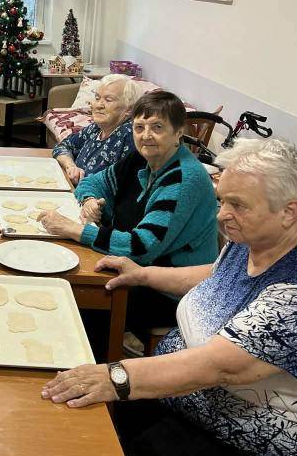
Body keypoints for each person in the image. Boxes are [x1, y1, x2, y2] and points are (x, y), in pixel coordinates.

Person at [41, 137, 297, 456]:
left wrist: (117, 374)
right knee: (100, 432)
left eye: (237, 205)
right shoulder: (255, 241)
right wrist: (145, 275)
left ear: (290, 212)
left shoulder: (296, 287)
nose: (222, 214)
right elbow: (213, 276)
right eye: (222, 199)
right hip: (199, 401)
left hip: (265, 443)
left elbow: (223, 367)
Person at [38, 90, 218, 334]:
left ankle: (102, 367)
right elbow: (92, 182)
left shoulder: (184, 178)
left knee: (79, 304)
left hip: (173, 292)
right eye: (139, 127)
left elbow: (141, 247)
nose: (146, 136)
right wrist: (90, 199)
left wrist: (74, 230)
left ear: (178, 132)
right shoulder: (140, 159)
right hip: (142, 270)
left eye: (157, 127)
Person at [51, 73, 138, 184]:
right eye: (97, 98)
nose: (98, 105)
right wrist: (71, 166)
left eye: (108, 100)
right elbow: (64, 145)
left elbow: (119, 188)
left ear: (129, 109)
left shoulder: (129, 137)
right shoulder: (96, 128)